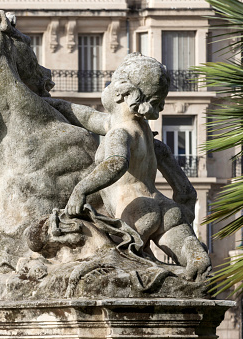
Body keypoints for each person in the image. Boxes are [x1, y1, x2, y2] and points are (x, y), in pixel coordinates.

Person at [44, 53, 211, 281]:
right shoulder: (150, 139)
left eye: (113, 83)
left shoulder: (119, 134)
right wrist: (51, 103)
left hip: (134, 210)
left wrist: (80, 190)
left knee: (131, 273)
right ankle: (195, 264)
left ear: (123, 93)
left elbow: (116, 164)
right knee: (194, 266)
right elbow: (186, 192)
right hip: (166, 208)